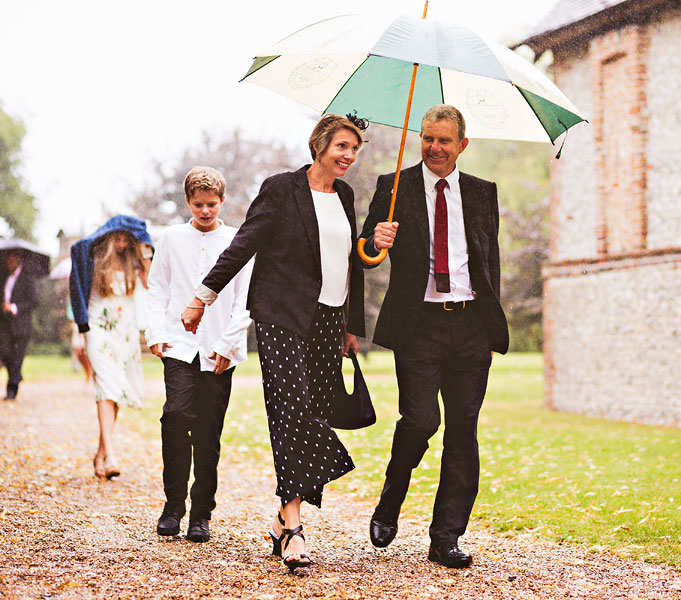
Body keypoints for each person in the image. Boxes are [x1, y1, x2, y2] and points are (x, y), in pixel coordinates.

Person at [181, 114, 366, 571]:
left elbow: (351, 261)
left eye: (354, 149)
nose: (348, 156)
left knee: (310, 412)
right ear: (320, 144)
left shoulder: (345, 195)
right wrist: (202, 297)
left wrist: (350, 322)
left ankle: (284, 520)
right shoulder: (281, 188)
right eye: (342, 146)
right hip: (281, 316)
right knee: (294, 411)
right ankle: (295, 526)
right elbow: (243, 244)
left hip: (328, 318)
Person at [358, 104, 509, 569]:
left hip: (469, 325)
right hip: (418, 324)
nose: (434, 148)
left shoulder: (483, 193)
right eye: (427, 138)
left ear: (462, 144)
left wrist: (488, 328)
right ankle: (391, 498)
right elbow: (364, 251)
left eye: (444, 140)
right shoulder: (393, 185)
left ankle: (445, 537)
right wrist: (375, 245)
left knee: (463, 431)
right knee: (421, 421)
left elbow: (490, 262)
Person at [146, 166, 254, 543]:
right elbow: (158, 287)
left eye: (211, 204)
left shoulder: (237, 240)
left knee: (209, 431)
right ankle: (172, 504)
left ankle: (201, 512)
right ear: (188, 202)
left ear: (222, 201)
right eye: (198, 205)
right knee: (175, 415)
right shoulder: (172, 238)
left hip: (218, 349)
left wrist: (228, 344)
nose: (205, 211)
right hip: (178, 344)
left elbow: (245, 297)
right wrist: (156, 332)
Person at [70, 215, 153, 480]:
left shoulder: (135, 262)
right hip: (98, 328)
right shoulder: (91, 258)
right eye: (115, 237)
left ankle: (101, 453)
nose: (119, 243)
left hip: (125, 331)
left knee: (115, 391)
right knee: (106, 385)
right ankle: (112, 452)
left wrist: (144, 255)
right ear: (107, 237)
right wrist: (81, 329)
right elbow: (79, 291)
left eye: (124, 238)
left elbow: (153, 285)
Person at [0, 250, 40, 401]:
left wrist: (14, 307)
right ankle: (16, 375)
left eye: (12, 259)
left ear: (19, 259)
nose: (9, 262)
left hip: (21, 324)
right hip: (4, 322)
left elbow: (34, 301)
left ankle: (11, 390)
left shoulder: (28, 277)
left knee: (17, 357)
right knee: (3, 350)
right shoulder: (2, 276)